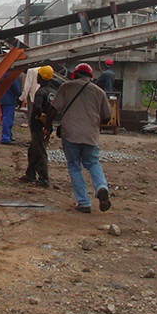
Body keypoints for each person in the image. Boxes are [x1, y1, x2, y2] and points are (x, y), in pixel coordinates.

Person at [49, 62, 112, 213]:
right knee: (92, 163)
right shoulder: (99, 92)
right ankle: (101, 187)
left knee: (74, 166)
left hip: (70, 134)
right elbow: (108, 116)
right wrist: (97, 125)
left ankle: (83, 203)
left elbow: (53, 109)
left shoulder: (66, 87)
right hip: (90, 135)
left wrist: (47, 126)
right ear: (90, 76)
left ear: (75, 74)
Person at [20, 65, 55, 187]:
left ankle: (44, 179)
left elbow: (37, 107)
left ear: (40, 77)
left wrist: (37, 116)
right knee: (33, 150)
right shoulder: (51, 93)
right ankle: (30, 174)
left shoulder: (40, 92)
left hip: (38, 126)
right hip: (47, 126)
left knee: (39, 152)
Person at [0, 74, 22, 144]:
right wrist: (20, 96)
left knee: (5, 117)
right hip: (9, 99)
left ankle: (8, 136)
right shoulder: (11, 75)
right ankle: (6, 137)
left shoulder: (0, 74)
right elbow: (16, 88)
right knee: (8, 119)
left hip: (2, 98)